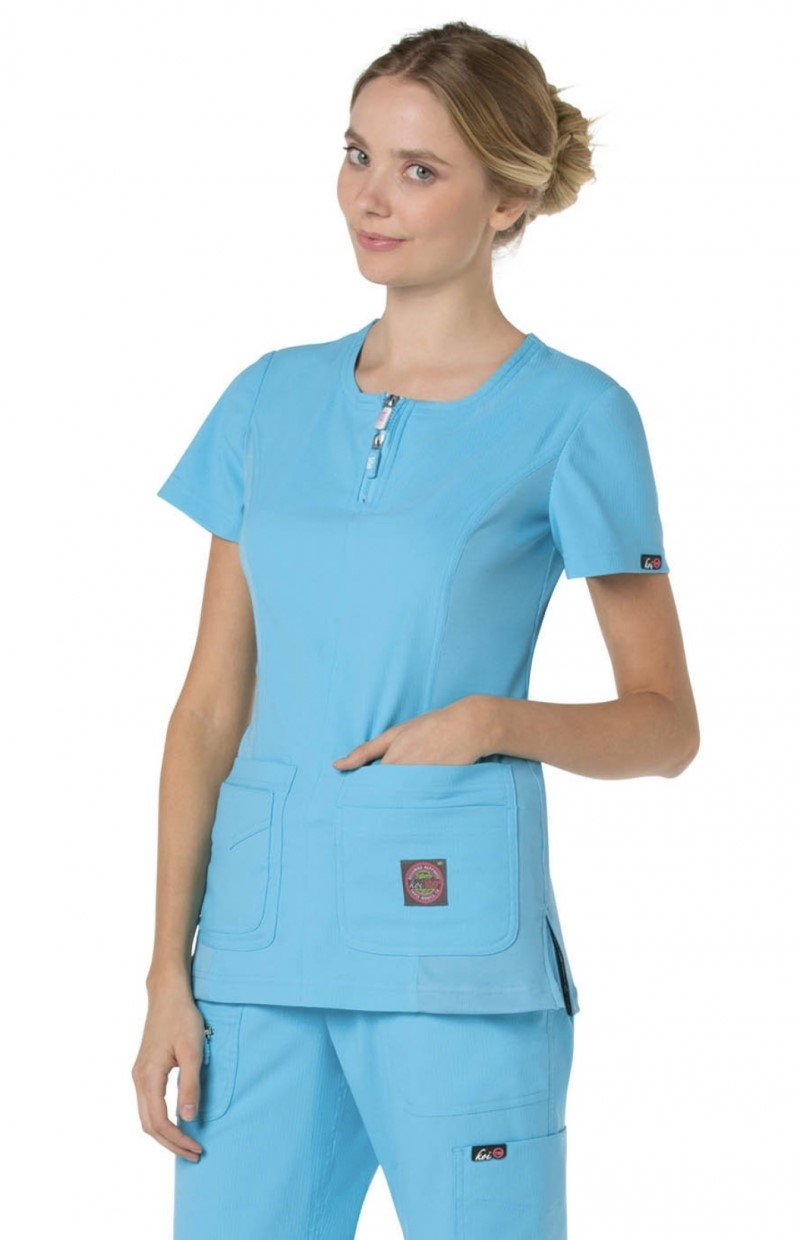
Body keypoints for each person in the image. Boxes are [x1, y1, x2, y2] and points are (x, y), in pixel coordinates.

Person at [132, 20, 700, 1240]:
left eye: (418, 169)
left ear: (506, 203)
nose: (368, 198)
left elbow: (664, 727)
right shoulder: (265, 398)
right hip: (257, 960)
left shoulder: (574, 416)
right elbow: (209, 709)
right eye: (356, 154)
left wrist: (494, 720)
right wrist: (168, 973)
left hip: (453, 963)